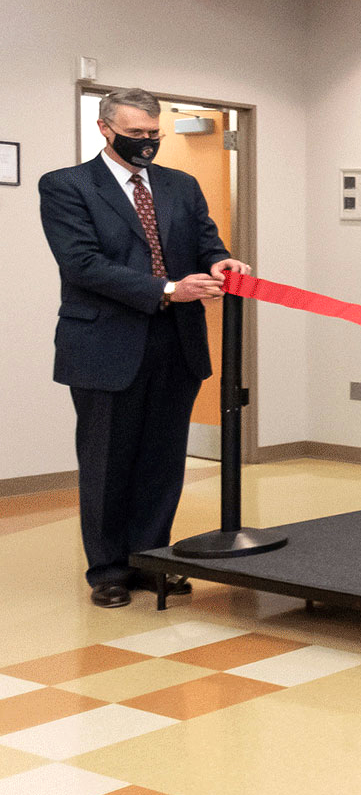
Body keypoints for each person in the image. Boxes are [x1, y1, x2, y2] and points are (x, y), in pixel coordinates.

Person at [39, 88, 248, 608]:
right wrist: (166, 290)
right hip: (105, 343)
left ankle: (150, 559)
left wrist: (222, 261)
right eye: (135, 135)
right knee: (107, 460)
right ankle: (108, 570)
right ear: (105, 129)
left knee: (162, 460)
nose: (147, 144)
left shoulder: (181, 185)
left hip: (175, 340)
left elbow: (205, 240)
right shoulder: (68, 186)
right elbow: (81, 264)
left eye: (154, 134)